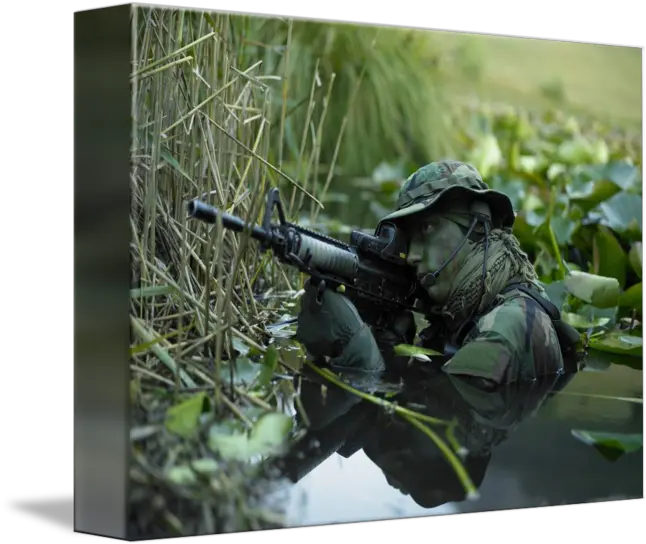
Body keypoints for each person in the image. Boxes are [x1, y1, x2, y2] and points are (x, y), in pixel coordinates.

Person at [295, 160, 582, 388]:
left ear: (477, 227)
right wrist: (389, 345)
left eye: (428, 229)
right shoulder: (463, 314)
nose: (414, 254)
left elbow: (444, 422)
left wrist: (362, 356)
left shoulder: (508, 326)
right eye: (408, 240)